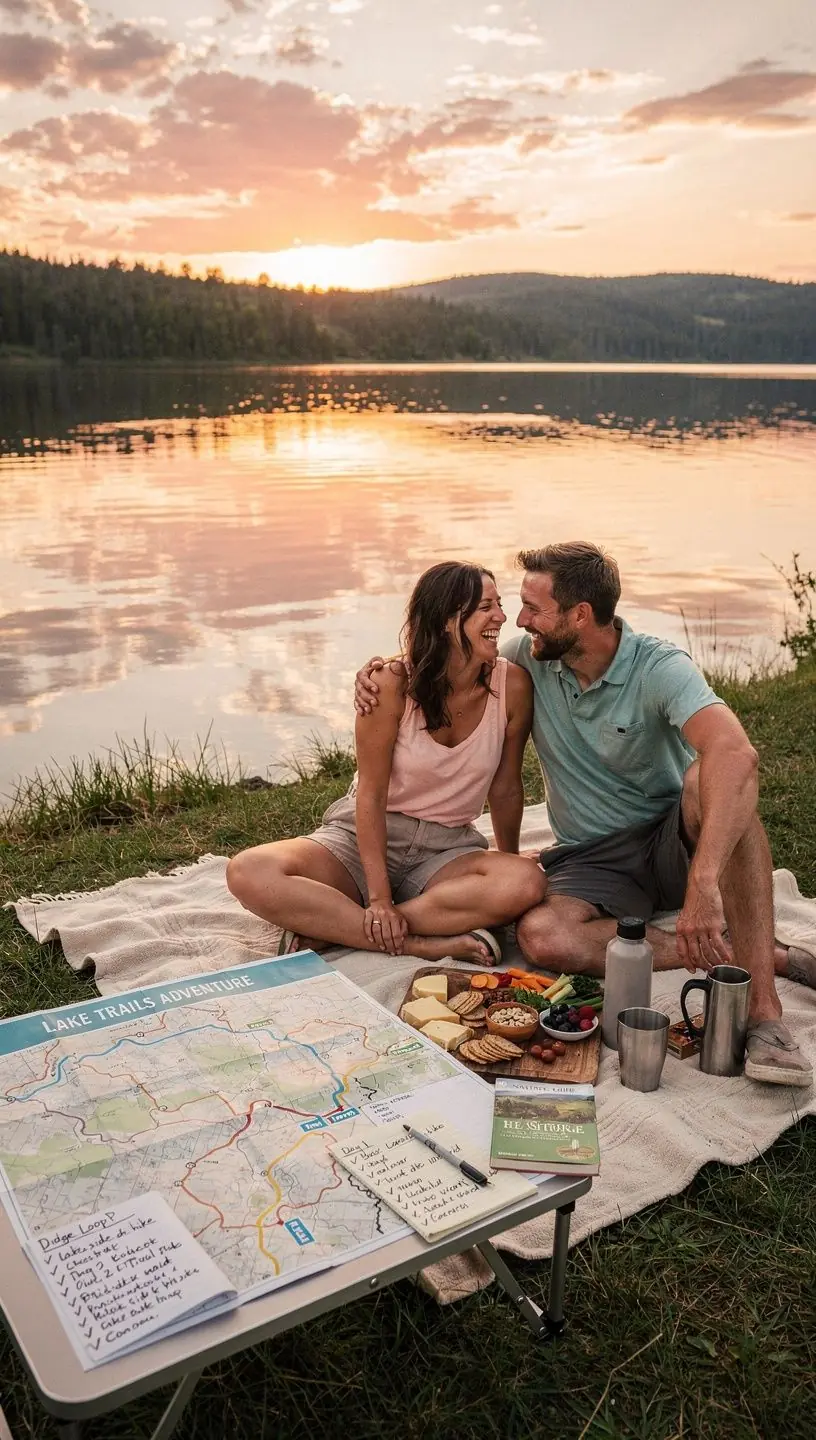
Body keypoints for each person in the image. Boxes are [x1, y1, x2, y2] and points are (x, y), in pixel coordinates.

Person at [355, 542, 813, 1087]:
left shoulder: (659, 666)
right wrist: (381, 668)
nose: (518, 622)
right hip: (590, 858)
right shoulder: (529, 659)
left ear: (580, 616)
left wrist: (704, 883)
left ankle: (765, 1014)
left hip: (671, 838)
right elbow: (443, 651)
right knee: (544, 936)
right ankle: (743, 953)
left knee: (717, 780)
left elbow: (737, 753)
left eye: (532, 609)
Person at [227, 561, 546, 963]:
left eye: (499, 604)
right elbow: (371, 795)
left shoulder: (512, 686)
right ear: (447, 620)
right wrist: (378, 898)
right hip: (361, 839)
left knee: (524, 883)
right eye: (486, 607)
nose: (501, 616)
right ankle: (416, 941)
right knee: (249, 871)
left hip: (447, 849)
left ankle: (338, 929)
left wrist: (509, 855)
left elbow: (506, 788)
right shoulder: (390, 684)